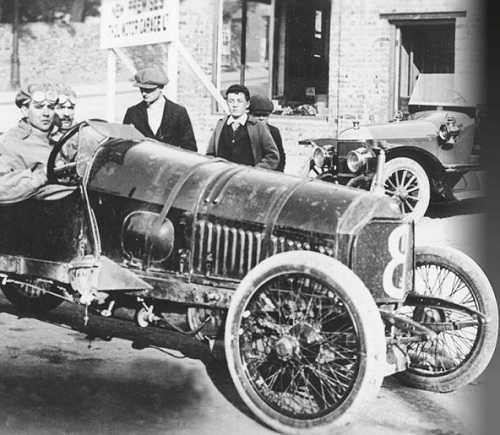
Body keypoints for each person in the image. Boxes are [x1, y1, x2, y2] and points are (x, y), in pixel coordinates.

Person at [0, 83, 58, 202]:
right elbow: (3, 189)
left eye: (51, 107)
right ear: (25, 110)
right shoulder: (12, 142)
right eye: (39, 107)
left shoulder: (60, 135)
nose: (46, 113)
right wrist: (42, 175)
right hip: (34, 209)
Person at [123, 67, 197, 151]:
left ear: (161, 88)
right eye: (141, 89)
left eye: (148, 90)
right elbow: (124, 146)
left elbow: (190, 148)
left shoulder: (178, 112)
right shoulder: (133, 112)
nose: (144, 93)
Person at [206, 84, 279, 170]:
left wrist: (255, 171)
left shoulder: (257, 126)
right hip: (223, 179)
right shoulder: (220, 125)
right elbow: (210, 155)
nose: (235, 105)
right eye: (231, 101)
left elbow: (272, 156)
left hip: (248, 180)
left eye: (239, 101)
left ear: (247, 104)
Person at [249, 95, 286, 172]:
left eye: (265, 115)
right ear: (250, 115)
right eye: (257, 115)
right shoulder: (246, 131)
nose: (261, 118)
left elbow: (280, 157)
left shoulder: (274, 131)